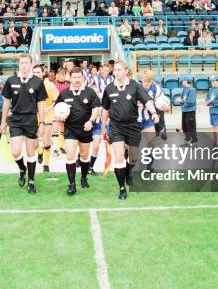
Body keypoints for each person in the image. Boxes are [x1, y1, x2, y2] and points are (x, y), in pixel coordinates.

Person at [101, 60, 158, 200]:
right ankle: (122, 188)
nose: (116, 72)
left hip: (133, 125)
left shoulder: (135, 86)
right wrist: (103, 127)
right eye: (115, 70)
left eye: (119, 69)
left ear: (126, 71)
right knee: (119, 156)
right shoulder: (109, 88)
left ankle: (128, 172)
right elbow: (105, 109)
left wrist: (154, 112)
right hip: (116, 126)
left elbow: (147, 101)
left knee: (133, 158)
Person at [0, 54, 48, 194]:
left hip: (31, 120)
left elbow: (41, 103)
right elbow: (6, 102)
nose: (24, 65)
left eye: (26, 63)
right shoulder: (11, 80)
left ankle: (31, 181)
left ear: (31, 65)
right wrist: (3, 122)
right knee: (15, 151)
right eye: (21, 63)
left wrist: (42, 123)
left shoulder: (38, 82)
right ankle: (22, 169)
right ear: (19, 64)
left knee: (30, 152)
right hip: (15, 120)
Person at [55, 67, 101, 195]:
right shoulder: (64, 94)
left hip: (85, 128)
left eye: (79, 77)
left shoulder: (90, 92)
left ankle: (84, 177)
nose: (76, 79)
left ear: (83, 78)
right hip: (70, 129)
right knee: (70, 156)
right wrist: (59, 117)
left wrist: (90, 121)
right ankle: (72, 184)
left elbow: (96, 108)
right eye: (74, 77)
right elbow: (57, 109)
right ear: (70, 78)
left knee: (84, 156)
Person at [32, 64, 59, 172]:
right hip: (34, 116)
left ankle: (46, 164)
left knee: (47, 143)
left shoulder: (50, 85)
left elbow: (56, 100)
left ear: (43, 73)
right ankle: (39, 151)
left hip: (47, 116)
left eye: (38, 72)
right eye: (34, 72)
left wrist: (48, 109)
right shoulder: (29, 85)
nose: (36, 74)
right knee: (34, 143)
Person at [138, 70, 165, 171]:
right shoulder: (136, 87)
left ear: (152, 81)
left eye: (148, 81)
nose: (146, 83)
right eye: (144, 81)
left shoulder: (156, 89)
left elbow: (161, 101)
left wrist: (164, 105)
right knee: (131, 145)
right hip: (134, 120)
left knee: (152, 143)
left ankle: (148, 167)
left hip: (147, 119)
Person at [176, 75, 197, 145]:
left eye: (184, 80)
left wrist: (181, 101)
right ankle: (187, 139)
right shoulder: (184, 89)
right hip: (184, 110)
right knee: (184, 125)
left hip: (190, 110)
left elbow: (191, 101)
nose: (182, 81)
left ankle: (194, 141)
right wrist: (180, 100)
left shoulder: (192, 89)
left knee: (191, 126)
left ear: (187, 81)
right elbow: (183, 100)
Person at [206, 75, 218, 146]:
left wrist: (212, 103)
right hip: (212, 110)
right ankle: (215, 140)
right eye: (211, 81)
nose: (212, 82)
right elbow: (207, 99)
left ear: (217, 81)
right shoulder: (210, 89)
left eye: (213, 81)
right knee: (214, 126)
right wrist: (208, 102)